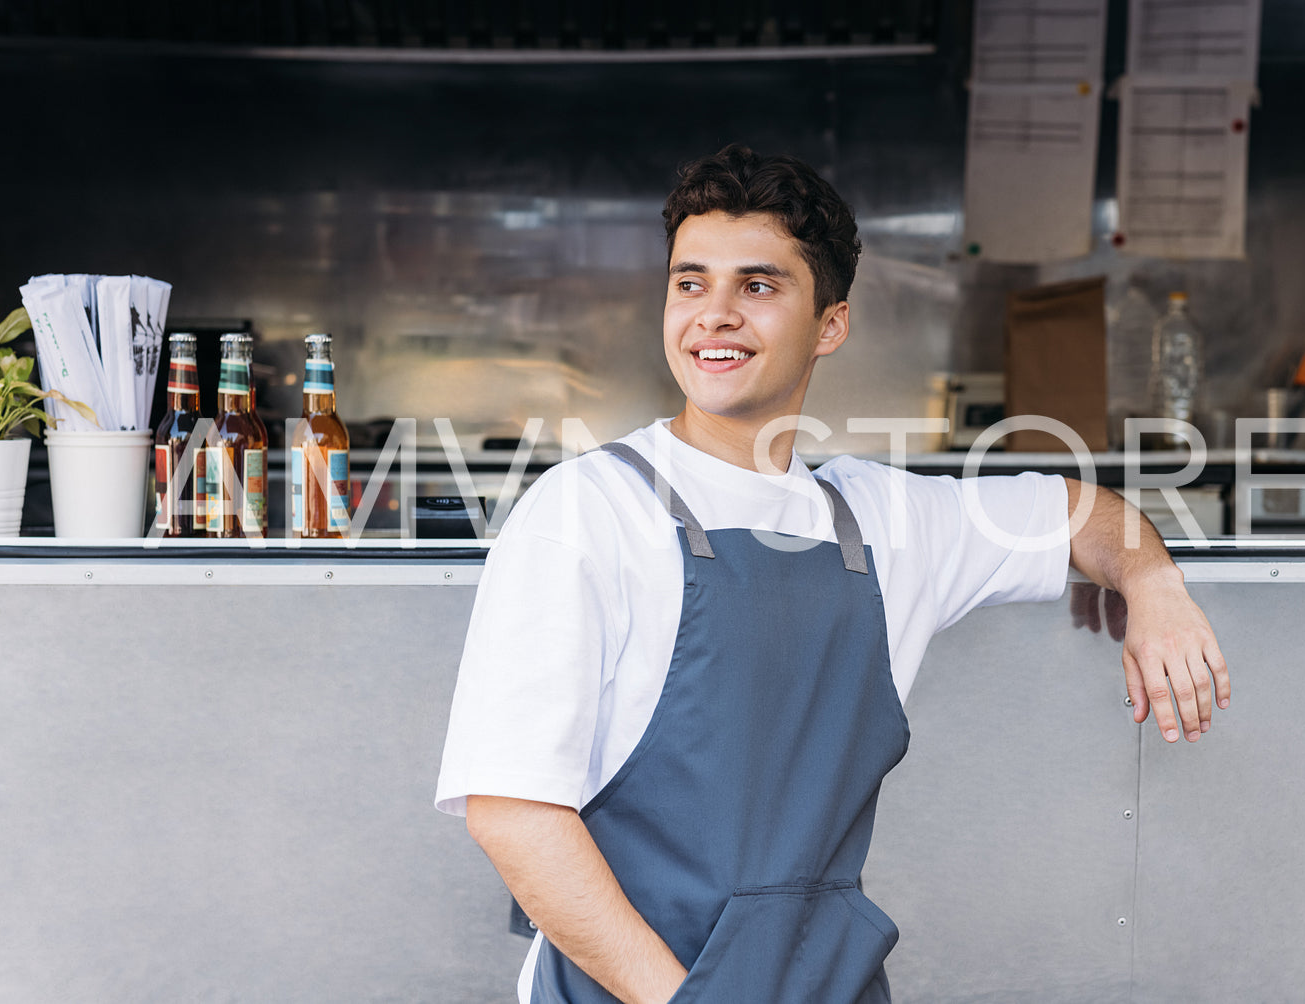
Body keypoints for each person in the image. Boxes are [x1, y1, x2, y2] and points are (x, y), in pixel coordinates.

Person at [436, 144, 1229, 1004]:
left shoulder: (880, 518)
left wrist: (1152, 584)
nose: (714, 315)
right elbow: (512, 811)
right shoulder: (585, 509)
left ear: (830, 324)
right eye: (690, 282)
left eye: (759, 286)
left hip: (824, 983)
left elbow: (1083, 511)